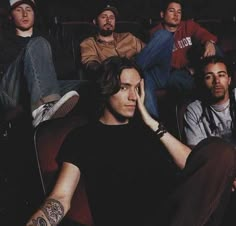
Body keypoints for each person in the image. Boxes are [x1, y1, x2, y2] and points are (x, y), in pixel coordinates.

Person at [26, 56, 236, 226]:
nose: (133, 96)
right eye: (124, 87)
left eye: (137, 88)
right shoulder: (83, 137)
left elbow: (196, 165)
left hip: (175, 214)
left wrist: (152, 124)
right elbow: (60, 198)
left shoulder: (150, 130)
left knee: (219, 150)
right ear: (106, 88)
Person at [0, 0, 85, 127]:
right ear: (10, 16)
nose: (24, 14)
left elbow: (68, 67)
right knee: (37, 44)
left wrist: (41, 67)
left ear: (34, 14)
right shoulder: (3, 39)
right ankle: (42, 110)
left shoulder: (47, 39)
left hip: (45, 87)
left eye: (28, 10)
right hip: (13, 91)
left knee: (90, 87)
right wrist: (32, 63)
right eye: (19, 10)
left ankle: (47, 103)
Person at [80, 4, 174, 118]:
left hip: (153, 73)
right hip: (125, 79)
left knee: (164, 34)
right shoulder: (89, 43)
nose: (108, 20)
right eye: (104, 17)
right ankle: (153, 127)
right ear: (95, 21)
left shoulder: (128, 37)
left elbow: (149, 54)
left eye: (112, 17)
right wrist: (111, 69)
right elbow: (90, 63)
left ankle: (136, 73)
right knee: (144, 82)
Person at [150, 0, 223, 97]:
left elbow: (202, 34)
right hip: (180, 74)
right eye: (172, 11)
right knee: (173, 79)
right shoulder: (155, 34)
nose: (176, 15)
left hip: (199, 67)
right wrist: (187, 70)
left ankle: (225, 82)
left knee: (215, 49)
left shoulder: (188, 25)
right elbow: (161, 64)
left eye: (179, 12)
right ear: (162, 14)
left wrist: (209, 42)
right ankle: (204, 93)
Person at [184, 56, 236, 148]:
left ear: (229, 80)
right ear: (203, 82)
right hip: (216, 161)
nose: (216, 81)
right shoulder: (194, 110)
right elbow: (197, 154)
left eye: (221, 75)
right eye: (209, 77)